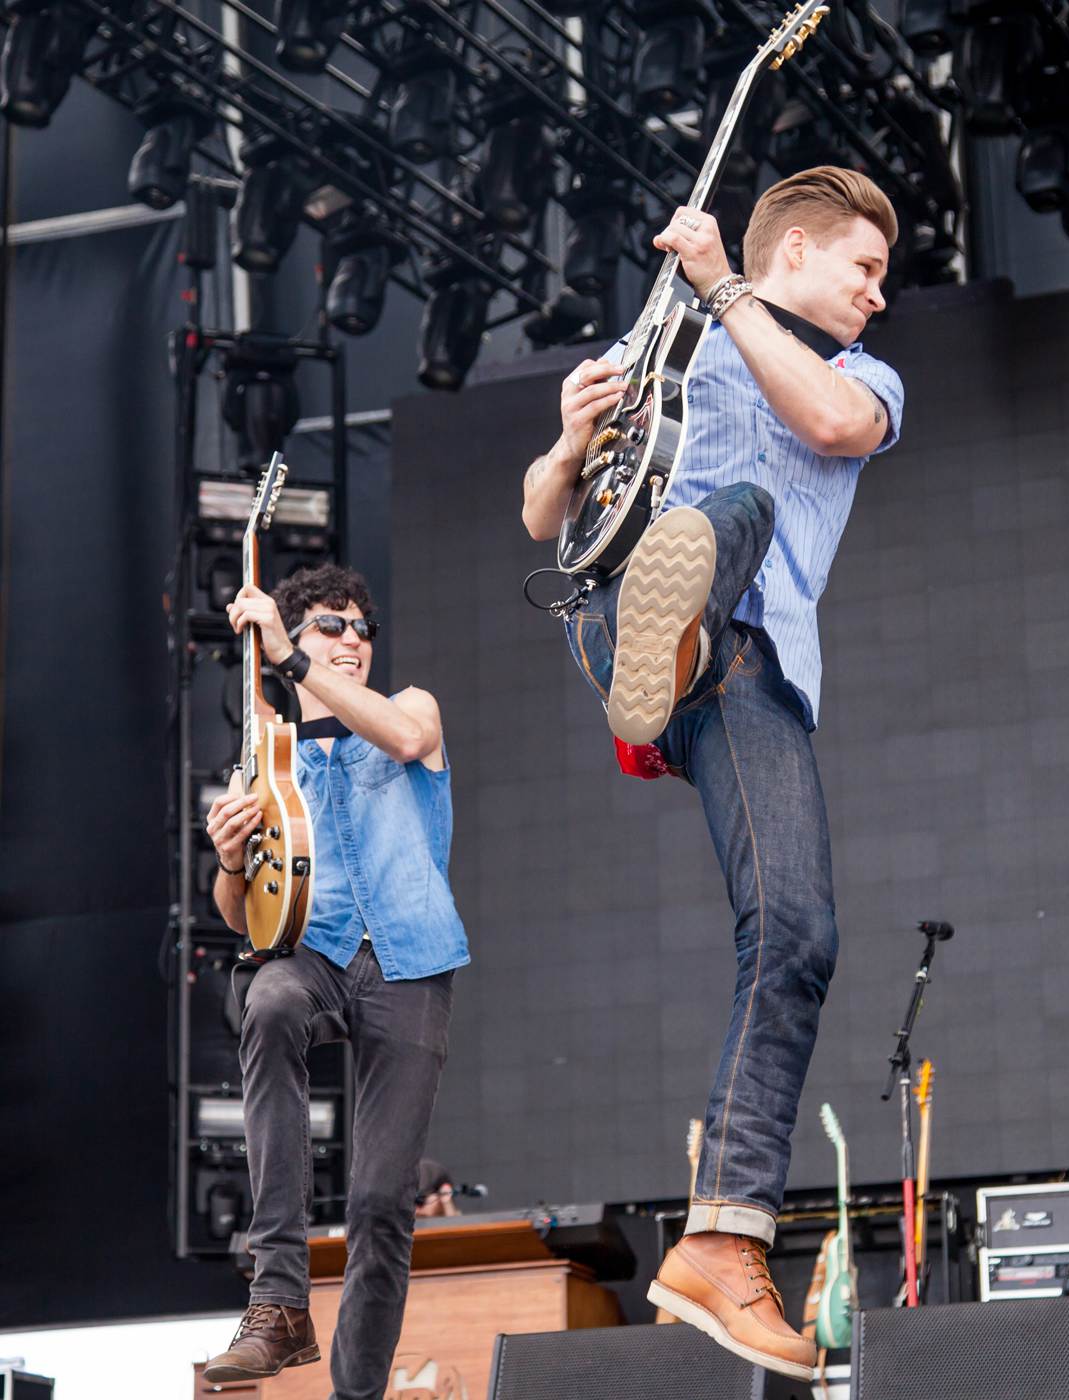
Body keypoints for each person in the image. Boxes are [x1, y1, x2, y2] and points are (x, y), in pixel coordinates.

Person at [521, 166, 903, 1381]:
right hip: (619, 605)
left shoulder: (859, 377)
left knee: (797, 932)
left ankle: (720, 1240)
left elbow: (833, 429)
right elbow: (543, 518)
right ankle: (665, 623)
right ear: (795, 251)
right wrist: (570, 436)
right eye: (863, 269)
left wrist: (723, 287)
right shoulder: (665, 339)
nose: (877, 297)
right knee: (724, 506)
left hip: (748, 669)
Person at [202, 563, 468, 1399]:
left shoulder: (411, 706)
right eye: (331, 625)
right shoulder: (266, 757)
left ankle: (356, 1395)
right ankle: (278, 1298)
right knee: (269, 998)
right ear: (292, 632)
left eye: (361, 627)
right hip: (311, 951)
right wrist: (230, 859)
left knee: (383, 1205)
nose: (354, 639)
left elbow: (408, 740)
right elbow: (241, 916)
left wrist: (295, 661)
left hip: (410, 957)